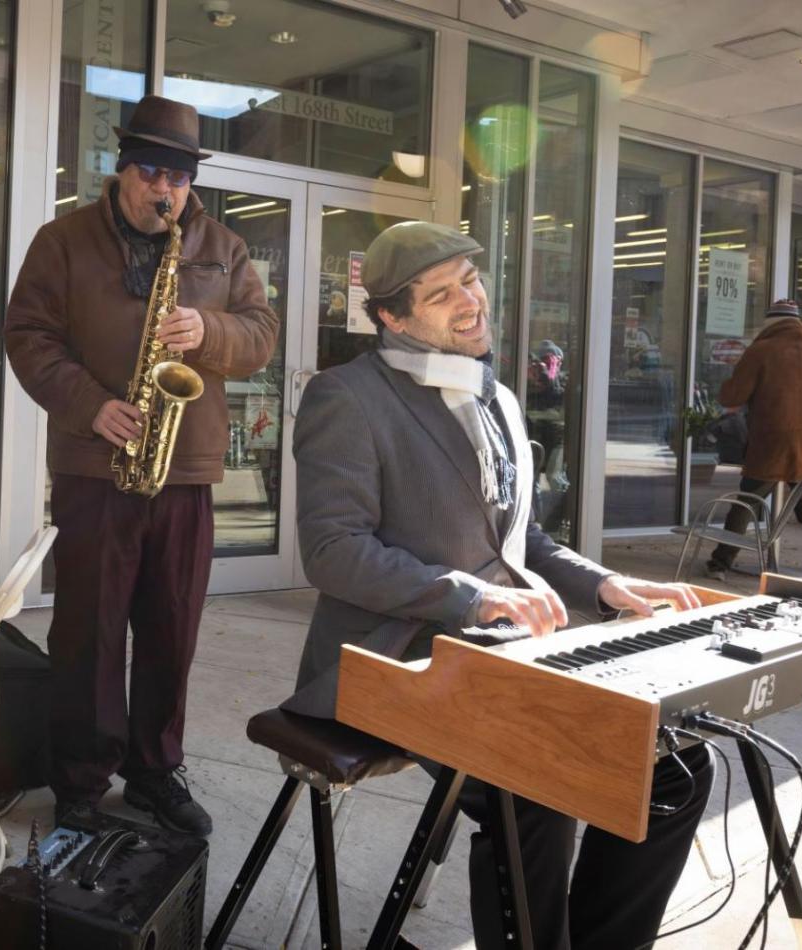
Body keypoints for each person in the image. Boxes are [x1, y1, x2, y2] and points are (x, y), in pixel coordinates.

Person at [283, 221, 711, 950]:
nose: (470, 300)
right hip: (391, 659)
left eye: (471, 281)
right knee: (538, 785)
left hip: (500, 653)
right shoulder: (346, 397)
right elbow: (333, 552)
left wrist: (608, 585)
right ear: (391, 316)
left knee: (678, 765)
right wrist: (474, 596)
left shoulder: (499, 398)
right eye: (442, 292)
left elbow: (524, 542)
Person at [5, 95, 279, 837]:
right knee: (88, 631)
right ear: (122, 169)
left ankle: (155, 771)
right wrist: (91, 405)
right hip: (97, 465)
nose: (166, 191)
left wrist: (209, 328)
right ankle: (80, 782)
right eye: (153, 173)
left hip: (183, 468)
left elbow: (261, 333)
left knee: (171, 628)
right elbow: (27, 335)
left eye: (180, 179)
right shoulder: (62, 241)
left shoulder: (221, 246)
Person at [704, 297, 802, 580]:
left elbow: (733, 396)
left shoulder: (761, 350)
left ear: (770, 323)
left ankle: (720, 563)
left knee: (746, 503)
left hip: (769, 442)